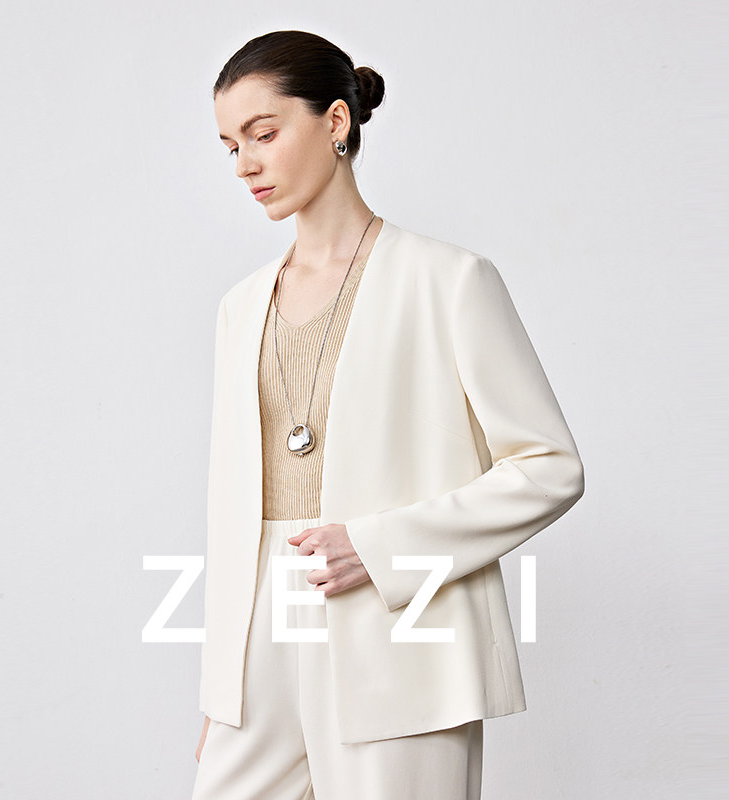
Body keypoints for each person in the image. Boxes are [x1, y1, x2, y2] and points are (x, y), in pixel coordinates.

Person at [192, 29, 585, 800]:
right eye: (231, 146)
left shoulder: (448, 281)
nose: (244, 165)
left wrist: (379, 548)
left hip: (397, 626)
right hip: (260, 635)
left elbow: (549, 467)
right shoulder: (240, 307)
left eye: (263, 134)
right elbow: (231, 506)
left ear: (336, 122)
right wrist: (221, 690)